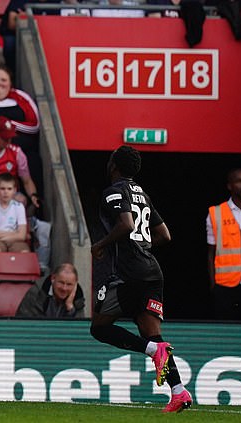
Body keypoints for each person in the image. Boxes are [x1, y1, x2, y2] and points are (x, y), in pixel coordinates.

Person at [90, 145, 192, 413]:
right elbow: (165, 235)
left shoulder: (114, 191)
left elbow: (126, 225)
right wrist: (141, 247)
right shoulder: (142, 194)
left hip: (130, 273)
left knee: (99, 328)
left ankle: (152, 352)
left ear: (113, 166)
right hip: (151, 272)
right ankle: (179, 392)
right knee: (153, 334)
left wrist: (100, 245)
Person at [206, 168, 241, 320]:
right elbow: (211, 253)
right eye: (239, 181)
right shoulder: (216, 213)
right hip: (225, 285)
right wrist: (213, 284)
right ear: (230, 186)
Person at [16, 263, 85, 318]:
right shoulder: (37, 291)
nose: (64, 288)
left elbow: (79, 329)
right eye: (61, 282)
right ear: (53, 278)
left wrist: (70, 308)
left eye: (69, 284)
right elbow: (26, 321)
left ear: (75, 284)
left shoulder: (78, 297)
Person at [0, 172, 30, 254]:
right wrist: (12, 233)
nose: (6, 192)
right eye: (2, 188)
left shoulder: (19, 207)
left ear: (14, 190)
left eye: (9, 189)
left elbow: (21, 235)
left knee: (24, 253)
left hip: (15, 241)